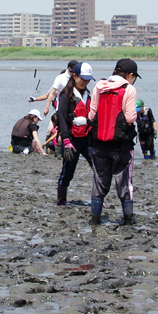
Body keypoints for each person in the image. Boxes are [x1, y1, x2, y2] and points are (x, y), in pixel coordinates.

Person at [87, 58, 140, 225]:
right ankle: (128, 218)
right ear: (130, 75)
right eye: (134, 77)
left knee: (99, 180)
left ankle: (95, 218)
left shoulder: (99, 86)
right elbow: (130, 118)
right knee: (123, 182)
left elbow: (91, 115)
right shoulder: (129, 89)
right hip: (120, 144)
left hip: (98, 142)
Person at [54, 62, 94, 206]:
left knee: (98, 167)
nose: (86, 82)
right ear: (74, 76)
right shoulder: (65, 95)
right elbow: (62, 119)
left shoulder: (87, 93)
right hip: (71, 139)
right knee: (68, 171)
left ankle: (98, 198)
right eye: (83, 79)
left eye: (88, 79)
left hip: (87, 138)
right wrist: (66, 140)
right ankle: (61, 201)